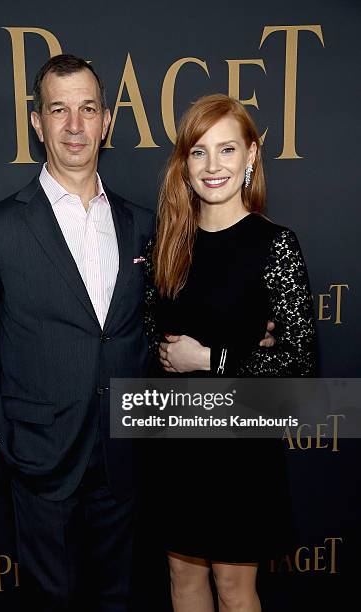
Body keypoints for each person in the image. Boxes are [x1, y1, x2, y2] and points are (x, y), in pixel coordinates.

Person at [0, 54, 155, 612]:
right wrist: (1, 438)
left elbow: (151, 332)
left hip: (125, 460)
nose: (74, 126)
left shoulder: (143, 225)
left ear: (106, 120)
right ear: (37, 124)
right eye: (58, 110)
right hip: (41, 460)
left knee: (121, 601)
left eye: (87, 109)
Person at [145, 94, 316, 612]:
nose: (212, 166)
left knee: (236, 590)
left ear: (251, 156)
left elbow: (299, 362)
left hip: (242, 447)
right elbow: (154, 333)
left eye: (226, 150)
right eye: (199, 152)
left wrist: (212, 360)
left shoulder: (275, 245)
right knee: (182, 580)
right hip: (177, 442)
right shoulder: (169, 244)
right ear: (185, 163)